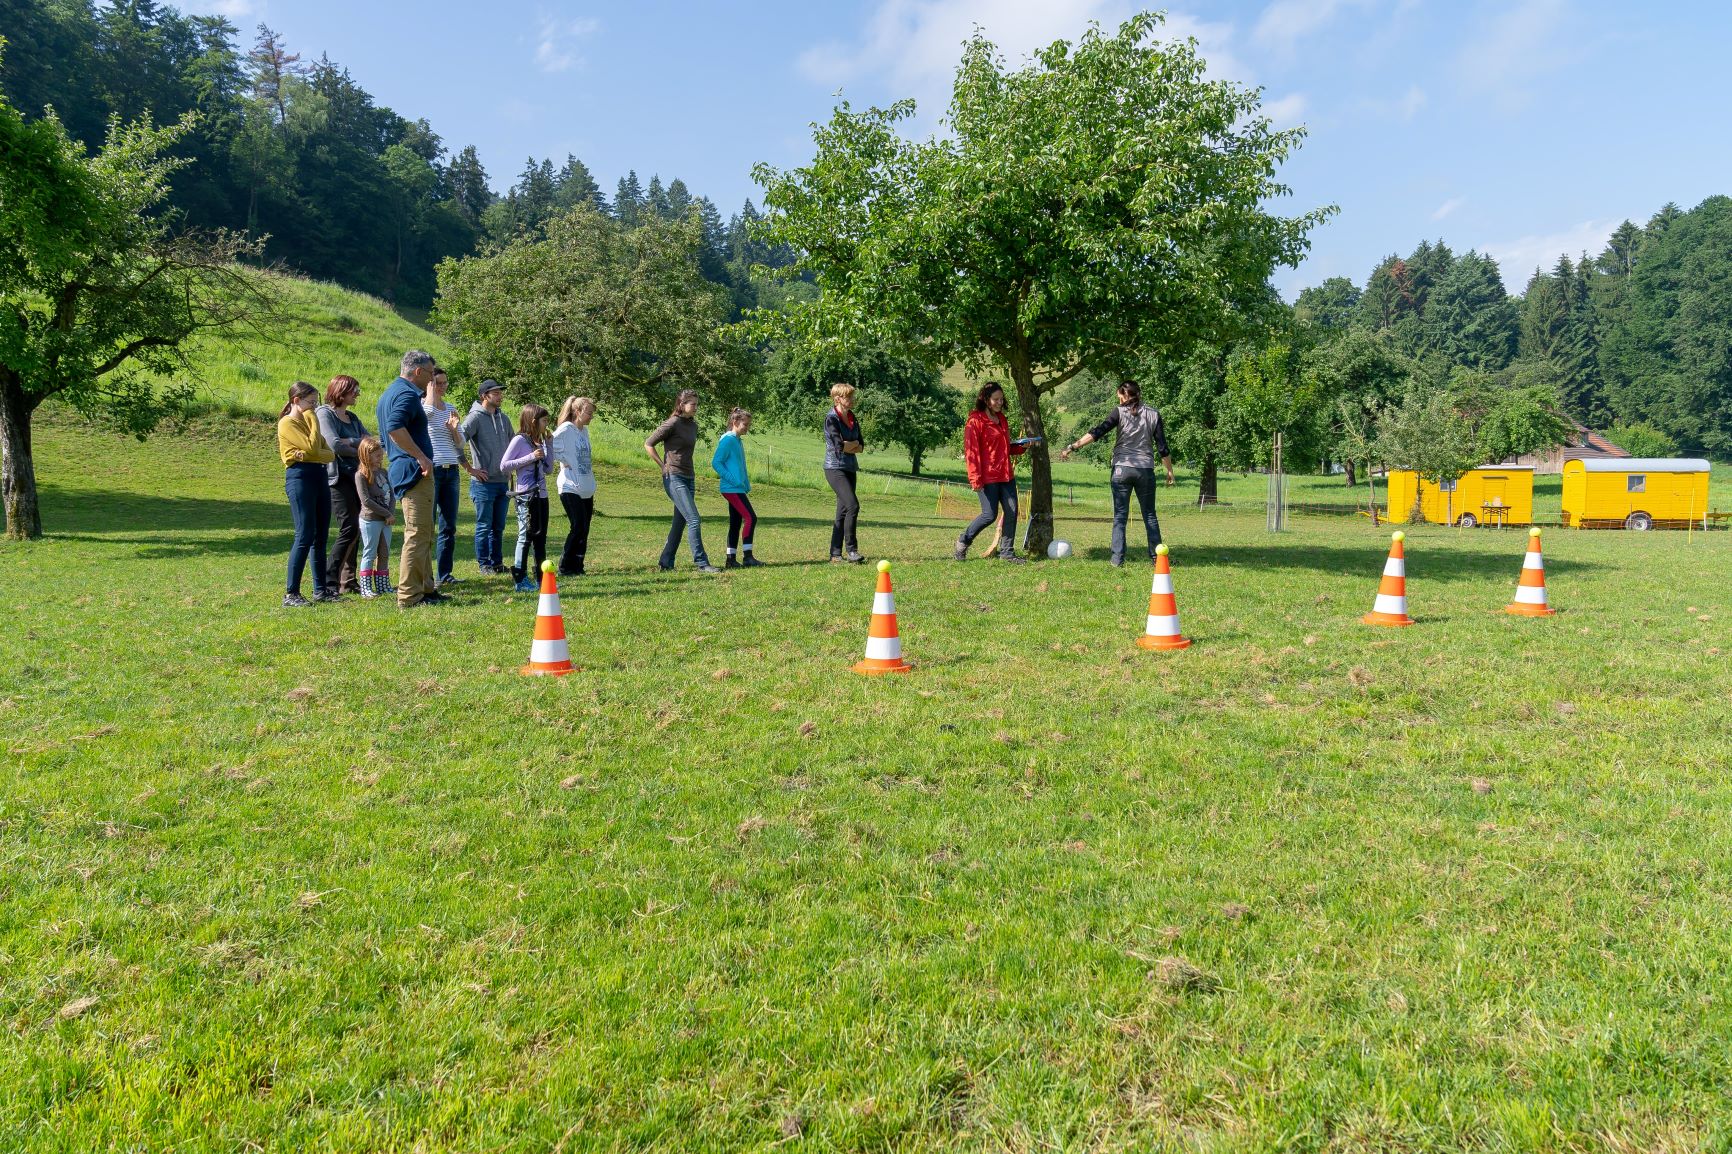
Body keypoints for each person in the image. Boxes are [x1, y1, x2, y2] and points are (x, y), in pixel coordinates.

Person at [1060, 379, 1175, 566]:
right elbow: (1163, 447)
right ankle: (1157, 558)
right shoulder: (1154, 414)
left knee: (1120, 516)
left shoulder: (1119, 412)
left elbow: (1098, 432)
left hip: (1121, 469)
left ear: (1124, 395)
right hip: (1145, 470)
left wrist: (1073, 446)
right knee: (1150, 515)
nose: (1119, 400)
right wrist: (1169, 471)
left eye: (1120, 397)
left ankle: (1117, 559)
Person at [376, 349, 442, 607]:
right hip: (414, 472)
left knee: (424, 532)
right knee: (417, 533)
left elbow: (385, 436)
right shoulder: (406, 394)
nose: (432, 380)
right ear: (417, 371)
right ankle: (409, 595)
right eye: (430, 374)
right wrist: (421, 457)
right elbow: (394, 428)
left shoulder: (389, 393)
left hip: (404, 469)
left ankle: (426, 588)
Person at [645, 389, 720, 573]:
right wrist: (662, 465)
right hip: (674, 477)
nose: (696, 407)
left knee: (680, 522)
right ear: (681, 404)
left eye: (697, 404)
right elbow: (648, 444)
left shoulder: (693, 425)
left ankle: (666, 562)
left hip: (689, 477)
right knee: (694, 519)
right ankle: (702, 563)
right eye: (692, 404)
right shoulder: (672, 423)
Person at [954, 382, 1027, 564]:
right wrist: (975, 479)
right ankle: (963, 541)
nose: (1000, 402)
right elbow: (971, 452)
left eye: (1001, 399)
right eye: (996, 399)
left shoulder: (1002, 419)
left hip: (1006, 475)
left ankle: (1007, 553)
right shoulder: (975, 422)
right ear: (986, 400)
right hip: (987, 477)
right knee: (989, 515)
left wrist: (1022, 447)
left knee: (1012, 511)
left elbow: (1005, 447)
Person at [277, 381, 336, 606]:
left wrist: (308, 453)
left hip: (319, 476)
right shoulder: (287, 423)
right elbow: (314, 448)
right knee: (304, 534)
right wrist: (313, 419)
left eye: (315, 403)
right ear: (296, 401)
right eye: (311, 402)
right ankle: (291, 594)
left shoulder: (308, 424)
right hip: (300, 478)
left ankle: (320, 590)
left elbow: (329, 454)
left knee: (320, 535)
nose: (314, 407)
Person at [423, 368, 481, 586]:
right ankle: (425, 575)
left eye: (445, 383)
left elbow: (460, 443)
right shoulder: (423, 407)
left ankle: (444, 575)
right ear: (429, 384)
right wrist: (430, 397)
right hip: (434, 470)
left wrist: (454, 429)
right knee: (427, 525)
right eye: (438, 383)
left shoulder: (450, 409)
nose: (443, 387)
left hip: (452, 471)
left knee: (448, 526)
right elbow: (426, 418)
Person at [315, 375, 368, 595]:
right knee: (349, 527)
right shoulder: (324, 413)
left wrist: (352, 442)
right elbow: (334, 445)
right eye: (354, 390)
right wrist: (359, 446)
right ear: (341, 390)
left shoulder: (352, 418)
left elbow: (371, 443)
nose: (358, 394)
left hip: (356, 476)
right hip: (337, 478)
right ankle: (329, 581)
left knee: (357, 528)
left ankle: (349, 581)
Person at [461, 379, 513, 575]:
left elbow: (513, 445)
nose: (500, 396)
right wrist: (470, 469)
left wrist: (513, 466)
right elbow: (457, 442)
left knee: (498, 527)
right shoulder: (474, 418)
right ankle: (484, 565)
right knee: (484, 526)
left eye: (500, 392)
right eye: (496, 393)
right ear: (484, 396)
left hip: (502, 482)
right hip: (483, 484)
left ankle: (497, 563)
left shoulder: (504, 419)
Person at [501, 404, 553, 592]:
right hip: (526, 496)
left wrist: (549, 445)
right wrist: (531, 457)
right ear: (533, 421)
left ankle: (541, 578)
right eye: (544, 421)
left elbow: (549, 468)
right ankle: (520, 578)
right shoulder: (519, 440)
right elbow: (504, 465)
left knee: (540, 537)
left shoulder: (539, 441)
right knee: (526, 536)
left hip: (542, 495)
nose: (547, 424)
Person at [549, 395, 597, 577]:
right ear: (577, 411)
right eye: (589, 413)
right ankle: (565, 566)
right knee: (578, 526)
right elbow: (548, 446)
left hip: (586, 486)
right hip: (570, 486)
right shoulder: (566, 429)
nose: (591, 416)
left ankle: (578, 565)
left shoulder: (584, 431)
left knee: (585, 528)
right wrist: (562, 460)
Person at [711, 407, 761, 568]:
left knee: (735, 522)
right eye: (745, 424)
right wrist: (733, 480)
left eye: (749, 425)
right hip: (731, 489)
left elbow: (740, 466)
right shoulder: (728, 440)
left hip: (737, 488)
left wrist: (745, 483)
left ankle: (730, 560)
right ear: (735, 422)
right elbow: (716, 463)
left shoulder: (737, 441)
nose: (747, 428)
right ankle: (748, 557)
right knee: (751, 518)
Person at [822, 383, 866, 564]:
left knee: (842, 511)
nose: (852, 400)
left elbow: (861, 446)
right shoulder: (831, 419)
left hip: (850, 467)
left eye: (852, 396)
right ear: (838, 398)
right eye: (849, 397)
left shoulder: (853, 417)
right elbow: (839, 446)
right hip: (834, 468)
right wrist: (851, 444)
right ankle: (852, 551)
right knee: (853, 506)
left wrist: (851, 444)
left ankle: (835, 554)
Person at [354, 436, 395, 598]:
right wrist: (386, 513)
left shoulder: (383, 472)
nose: (380, 458)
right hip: (371, 519)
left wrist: (390, 513)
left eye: (381, 455)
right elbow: (366, 500)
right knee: (370, 552)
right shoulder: (361, 475)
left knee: (384, 552)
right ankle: (366, 588)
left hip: (386, 520)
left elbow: (391, 494)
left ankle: (383, 586)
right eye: (377, 456)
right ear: (366, 455)